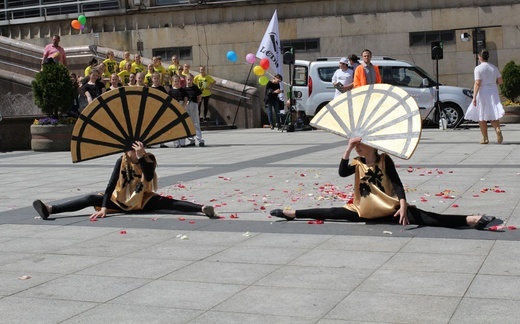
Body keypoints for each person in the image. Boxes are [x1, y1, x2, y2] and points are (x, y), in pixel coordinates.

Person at [270, 137, 496, 230]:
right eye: (356, 145)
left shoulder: (384, 160)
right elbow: (341, 173)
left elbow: (397, 184)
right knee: (331, 211)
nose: (358, 148)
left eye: (361, 145)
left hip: (390, 209)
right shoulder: (357, 162)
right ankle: (292, 213)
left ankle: (472, 219)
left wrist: (404, 205)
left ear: (372, 145)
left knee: (429, 218)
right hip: (363, 210)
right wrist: (348, 149)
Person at [32, 141, 216, 220]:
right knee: (90, 199)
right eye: (130, 149)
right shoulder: (121, 160)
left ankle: (201, 209)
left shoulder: (148, 158)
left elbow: (149, 176)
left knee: (168, 203)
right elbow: (111, 185)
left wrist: (142, 156)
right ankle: (50, 209)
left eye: (135, 149)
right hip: (119, 199)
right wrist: (104, 207)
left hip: (142, 198)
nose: (132, 152)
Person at [464, 48, 505, 144]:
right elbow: (500, 81)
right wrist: (491, 83)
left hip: (482, 93)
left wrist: (474, 97)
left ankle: (485, 138)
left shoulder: (478, 68)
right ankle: (497, 129)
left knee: (481, 116)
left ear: (480, 57)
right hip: (493, 92)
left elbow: (477, 83)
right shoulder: (494, 67)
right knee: (493, 113)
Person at [183, 74, 205, 147]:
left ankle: (200, 139)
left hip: (193, 104)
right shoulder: (184, 89)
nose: (189, 81)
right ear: (185, 80)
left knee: (196, 122)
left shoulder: (195, 88)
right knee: (188, 122)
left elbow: (199, 97)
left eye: (191, 80)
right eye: (188, 80)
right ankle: (191, 140)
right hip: (186, 105)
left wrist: (197, 105)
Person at [169, 75, 189, 148]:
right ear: (173, 82)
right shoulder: (171, 91)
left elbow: (185, 100)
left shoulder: (183, 90)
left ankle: (182, 142)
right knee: (174, 126)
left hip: (181, 106)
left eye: (177, 81)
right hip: (174, 108)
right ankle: (176, 142)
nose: (176, 82)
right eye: (175, 81)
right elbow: (169, 100)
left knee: (182, 125)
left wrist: (182, 107)